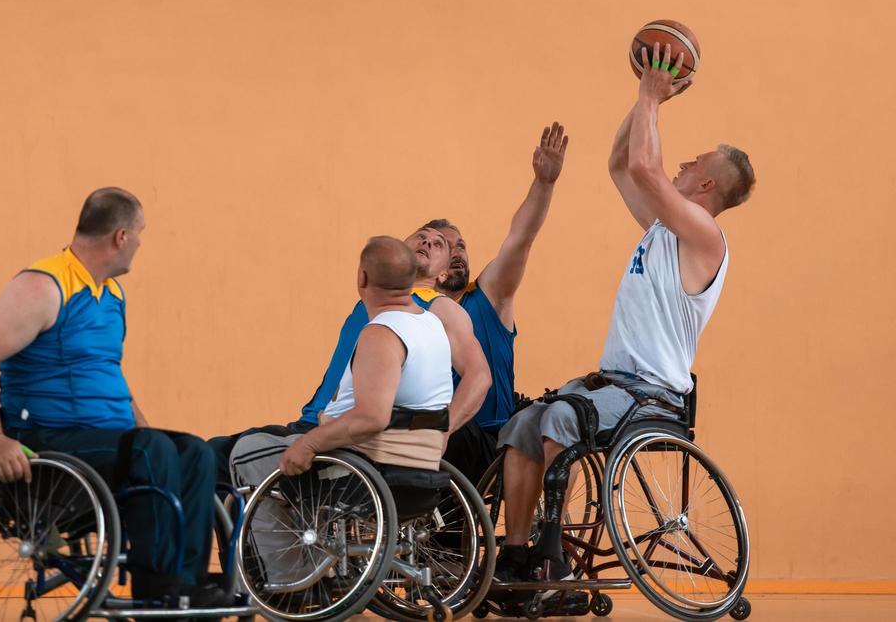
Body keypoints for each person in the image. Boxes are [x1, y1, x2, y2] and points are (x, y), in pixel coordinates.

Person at [495, 46, 755, 583]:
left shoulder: (706, 238)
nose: (683, 164)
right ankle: (517, 557)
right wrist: (645, 93)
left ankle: (553, 556)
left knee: (562, 419)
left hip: (654, 393)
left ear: (706, 186)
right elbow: (620, 163)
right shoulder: (664, 233)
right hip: (613, 384)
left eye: (695, 164)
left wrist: (652, 95)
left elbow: (645, 165)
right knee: (523, 424)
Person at [0, 187, 226, 607]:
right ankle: (157, 585)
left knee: (192, 451)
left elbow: (108, 378)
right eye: (140, 234)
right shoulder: (44, 286)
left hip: (107, 440)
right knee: (153, 449)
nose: (139, 244)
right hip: (50, 437)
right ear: (121, 237)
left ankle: (186, 582)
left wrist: (146, 432)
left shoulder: (111, 296)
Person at [228, 237, 462, 582]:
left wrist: (308, 444)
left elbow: (373, 417)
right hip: (421, 471)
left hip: (366, 472)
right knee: (281, 446)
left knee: (245, 452)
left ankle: (289, 581)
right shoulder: (431, 326)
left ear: (362, 279)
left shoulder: (383, 332)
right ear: (412, 276)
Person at [208, 226, 488, 473]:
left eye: (438, 244)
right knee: (222, 458)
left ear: (443, 273)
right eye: (420, 236)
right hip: (319, 423)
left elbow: (479, 377)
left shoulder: (438, 310)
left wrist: (443, 430)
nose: (427, 243)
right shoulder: (379, 301)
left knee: (221, 458)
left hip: (347, 438)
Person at [427, 121, 570, 484]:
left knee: (434, 431)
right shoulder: (415, 308)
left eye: (461, 244)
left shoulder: (488, 294)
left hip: (486, 440)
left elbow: (521, 238)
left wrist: (544, 183)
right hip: (436, 436)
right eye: (444, 245)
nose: (457, 252)